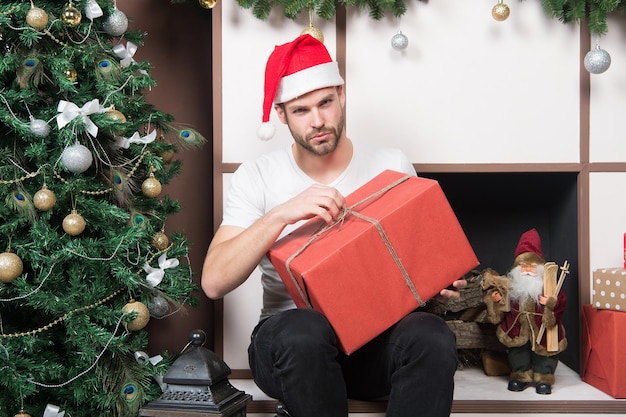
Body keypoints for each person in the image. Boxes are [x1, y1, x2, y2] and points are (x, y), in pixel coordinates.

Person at [201, 34, 467, 417]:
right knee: (305, 330)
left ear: (342, 95)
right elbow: (213, 281)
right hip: (289, 347)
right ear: (281, 114)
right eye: (301, 110)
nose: (318, 121)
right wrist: (281, 214)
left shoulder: (391, 164)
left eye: (325, 102)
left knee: (431, 335)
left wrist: (431, 279)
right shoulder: (257, 175)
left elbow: (414, 264)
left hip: (372, 348)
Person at [483, 228, 567, 395]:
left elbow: (561, 301)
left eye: (532, 266)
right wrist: (497, 300)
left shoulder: (547, 286)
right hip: (517, 329)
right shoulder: (513, 286)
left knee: (544, 355)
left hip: (542, 331)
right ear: (517, 268)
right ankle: (520, 376)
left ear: (540, 268)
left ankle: (544, 378)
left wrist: (550, 302)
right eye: (523, 266)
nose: (527, 270)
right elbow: (502, 306)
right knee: (517, 354)